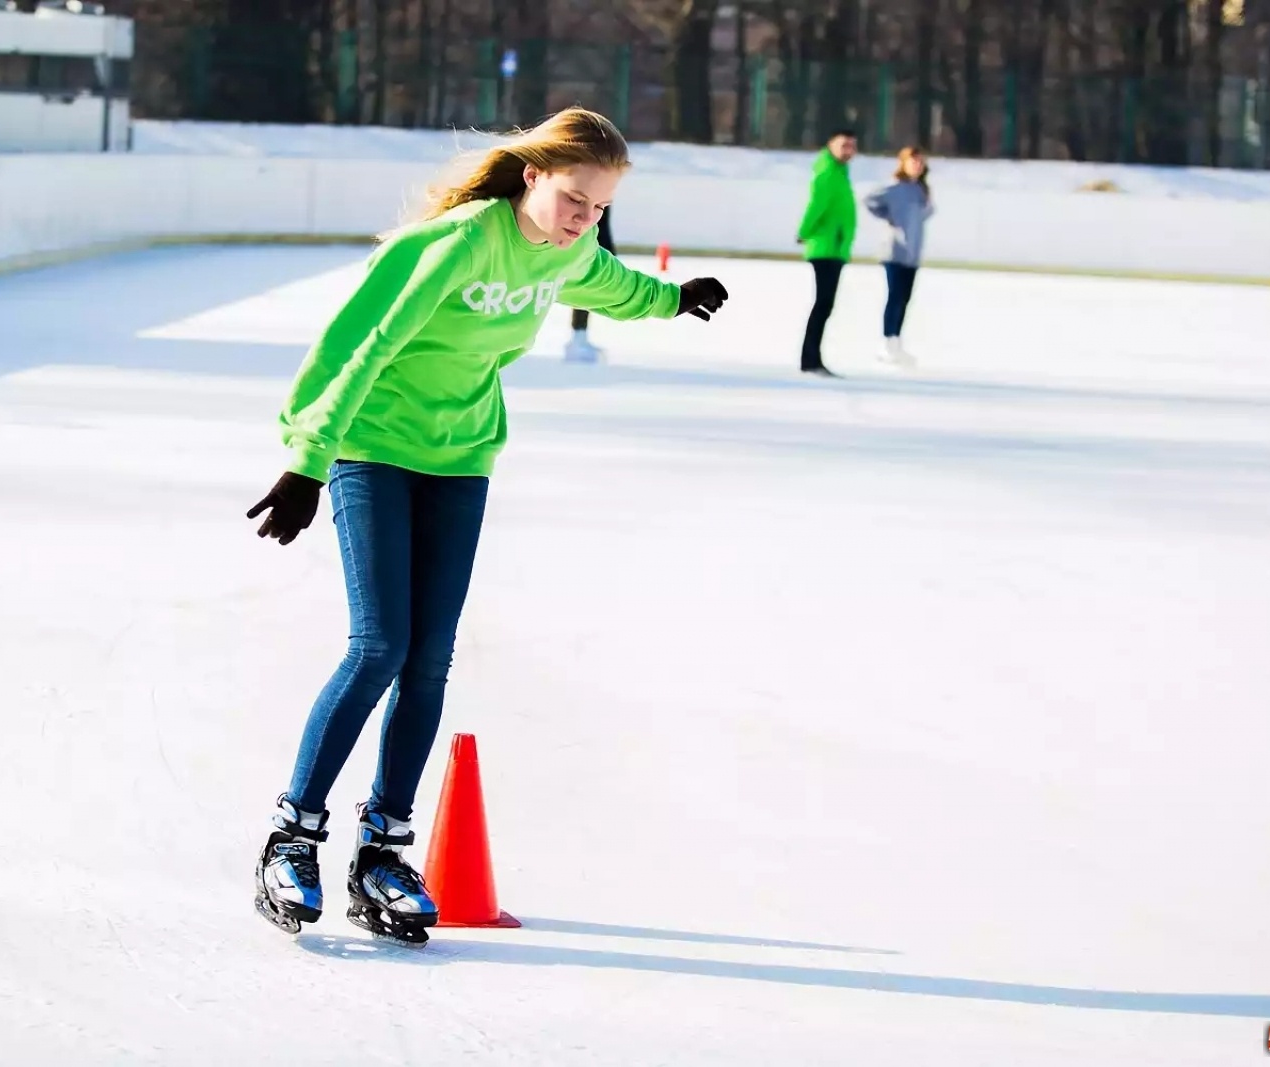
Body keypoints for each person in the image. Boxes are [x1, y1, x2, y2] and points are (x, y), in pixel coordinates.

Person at [244, 107, 730, 945]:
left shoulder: (572, 245)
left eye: (601, 209)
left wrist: (671, 300)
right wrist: (308, 459)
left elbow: (608, 286)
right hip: (370, 443)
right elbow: (366, 341)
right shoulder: (464, 242)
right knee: (379, 646)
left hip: (462, 455)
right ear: (535, 174)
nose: (586, 219)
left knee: (429, 657)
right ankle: (292, 836)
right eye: (576, 198)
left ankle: (383, 852)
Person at [862, 145, 934, 367]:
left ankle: (896, 341)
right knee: (895, 297)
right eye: (913, 161)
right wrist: (888, 216)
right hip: (894, 251)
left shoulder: (921, 191)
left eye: (920, 162)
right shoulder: (895, 188)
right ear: (903, 163)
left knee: (904, 299)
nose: (917, 166)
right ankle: (887, 341)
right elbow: (870, 201)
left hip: (912, 253)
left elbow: (926, 213)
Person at [796, 128, 857, 377]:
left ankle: (813, 358)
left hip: (835, 247)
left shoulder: (840, 172)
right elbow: (816, 204)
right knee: (823, 304)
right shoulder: (828, 173)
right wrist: (804, 231)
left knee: (825, 304)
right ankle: (810, 360)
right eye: (843, 145)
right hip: (826, 247)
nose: (848, 150)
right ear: (831, 145)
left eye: (852, 146)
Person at [563, 203, 616, 363]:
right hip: (584, 240)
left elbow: (603, 219)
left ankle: (579, 336)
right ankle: (578, 338)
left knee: (587, 288)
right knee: (583, 287)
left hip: (593, 239)